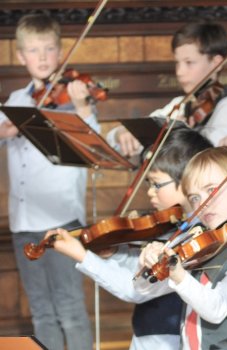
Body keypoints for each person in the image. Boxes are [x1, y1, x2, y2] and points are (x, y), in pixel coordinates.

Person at [44, 127, 213, 350]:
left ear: (188, 181)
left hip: (170, 340)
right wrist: (115, 254)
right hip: (147, 336)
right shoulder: (174, 225)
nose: (150, 192)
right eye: (148, 184)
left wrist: (82, 256)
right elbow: (138, 271)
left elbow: (134, 289)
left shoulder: (198, 238)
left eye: (157, 184)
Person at [0, 13, 97, 350]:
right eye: (33, 50)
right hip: (23, 223)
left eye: (48, 49)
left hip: (62, 221)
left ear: (60, 52)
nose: (41, 57)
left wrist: (84, 107)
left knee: (70, 309)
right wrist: (6, 129)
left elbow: (94, 151)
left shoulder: (72, 102)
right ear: (20, 56)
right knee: (41, 312)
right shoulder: (14, 102)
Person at [137, 146, 227, 350]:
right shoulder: (202, 241)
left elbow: (216, 307)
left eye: (212, 190)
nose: (203, 204)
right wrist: (149, 261)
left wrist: (178, 274)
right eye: (194, 197)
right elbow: (144, 289)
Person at [109, 21, 227, 156]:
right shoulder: (180, 103)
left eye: (189, 62)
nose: (179, 72)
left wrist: (178, 133)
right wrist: (122, 133)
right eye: (177, 63)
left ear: (217, 63)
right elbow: (116, 137)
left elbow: (207, 153)